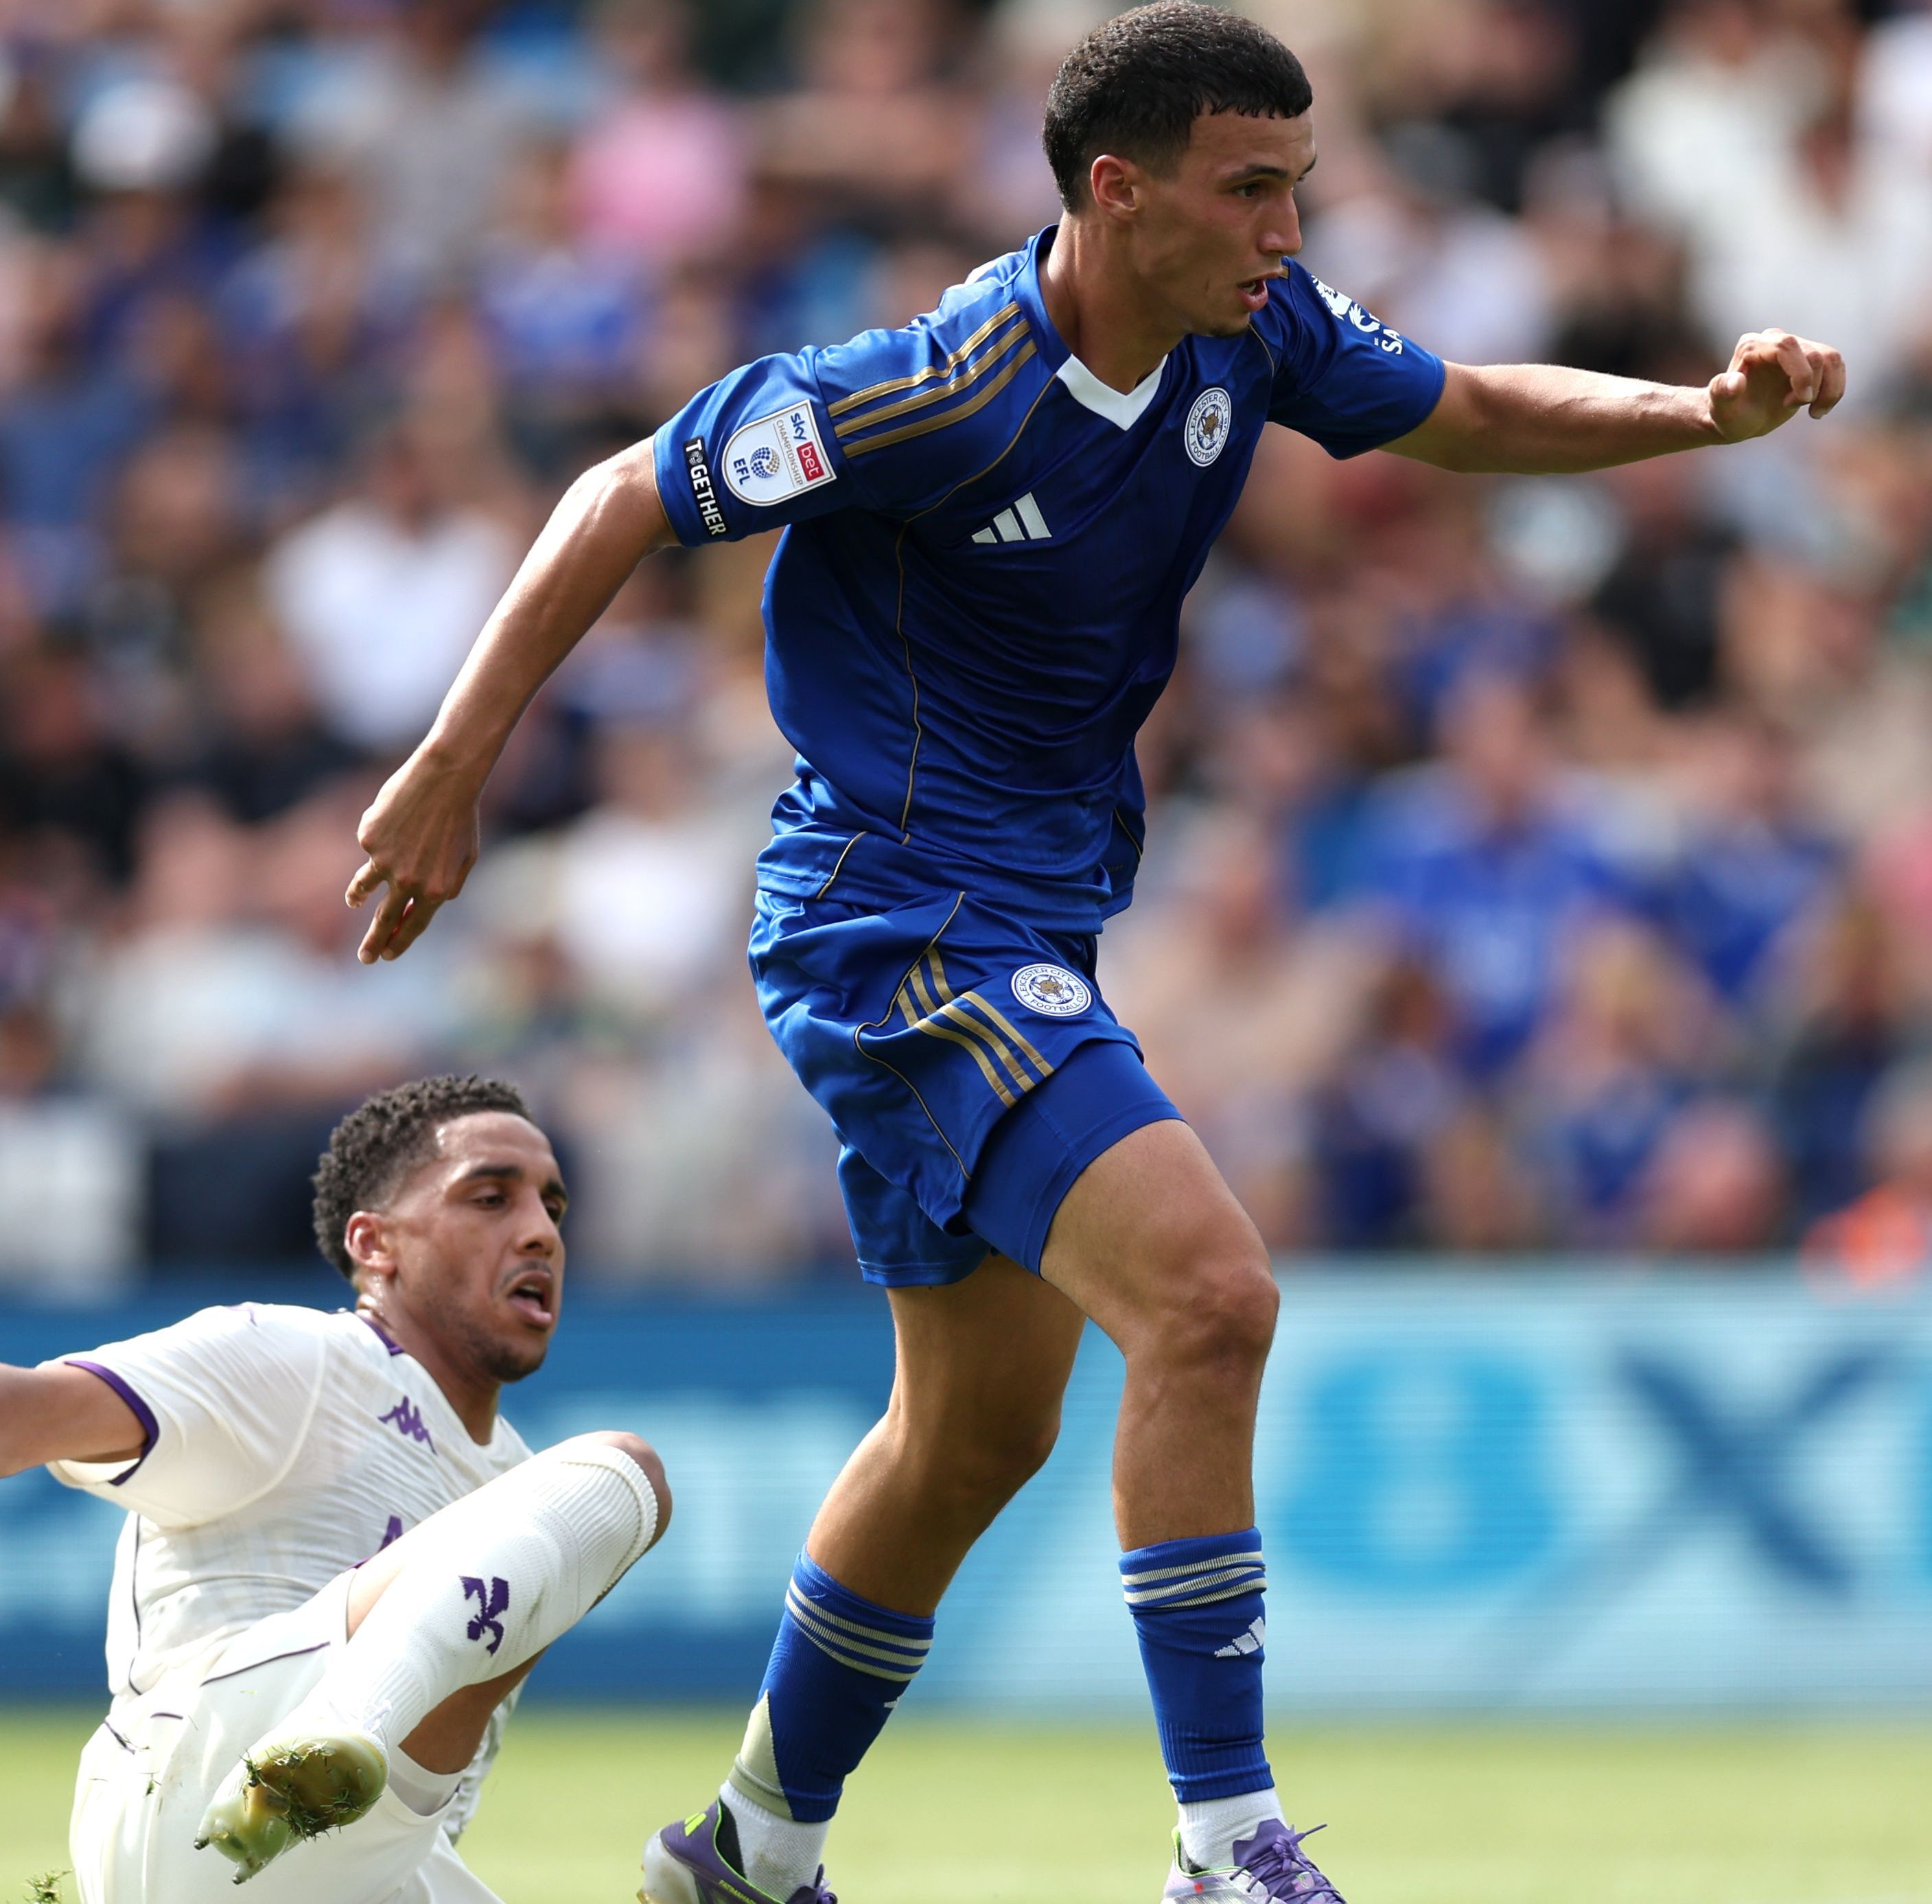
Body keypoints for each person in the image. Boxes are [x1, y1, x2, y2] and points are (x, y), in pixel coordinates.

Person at [340, 8, 1845, 1901]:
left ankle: (742, 1848)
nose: (1288, 228)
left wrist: (1696, 413)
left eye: (1297, 187)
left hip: (1027, 913)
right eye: (1250, 190)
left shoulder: (1249, 329)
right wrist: (450, 764)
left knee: (970, 1434)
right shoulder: (932, 387)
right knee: (1209, 1297)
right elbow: (622, 493)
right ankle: (1226, 1840)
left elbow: (1460, 404)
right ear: (1115, 193)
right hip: (890, 913)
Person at [0, 1074, 673, 1903]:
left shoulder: (515, 1478)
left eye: (553, 1204)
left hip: (357, 1865)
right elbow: (38, 1407)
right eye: (491, 1197)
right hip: (197, 1789)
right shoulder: (300, 1358)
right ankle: (340, 1729)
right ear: (375, 1243)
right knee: (624, 1474)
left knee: (572, 1506)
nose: (540, 1230)